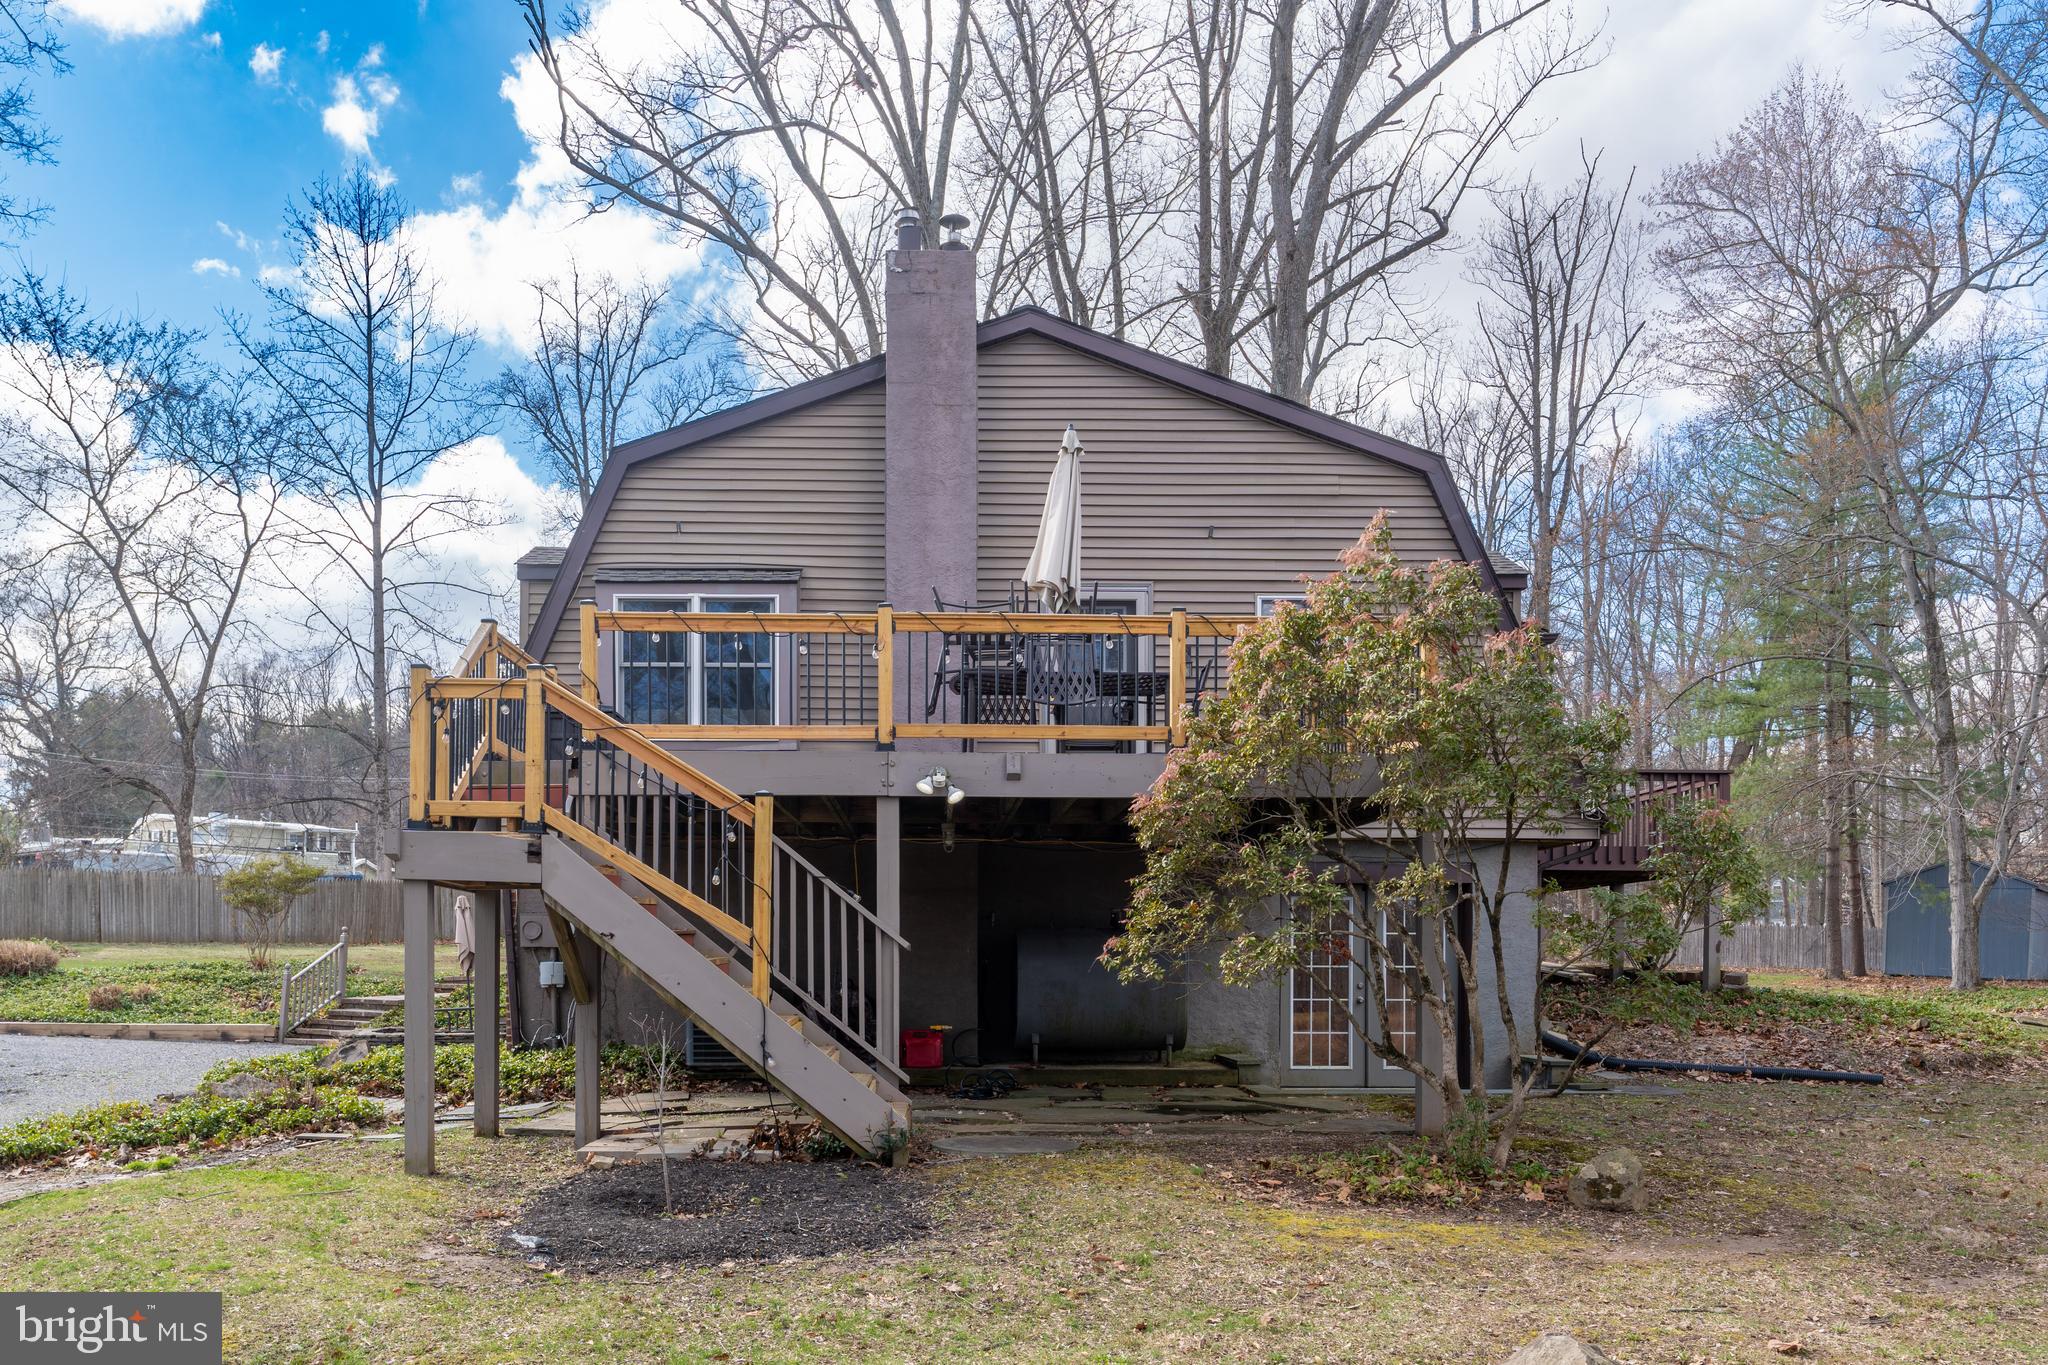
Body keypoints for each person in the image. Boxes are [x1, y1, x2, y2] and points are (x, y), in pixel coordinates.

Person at [454, 892, 475, 979]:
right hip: (468, 944)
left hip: (467, 944)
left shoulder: (466, 916)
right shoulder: (463, 916)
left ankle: (467, 967)